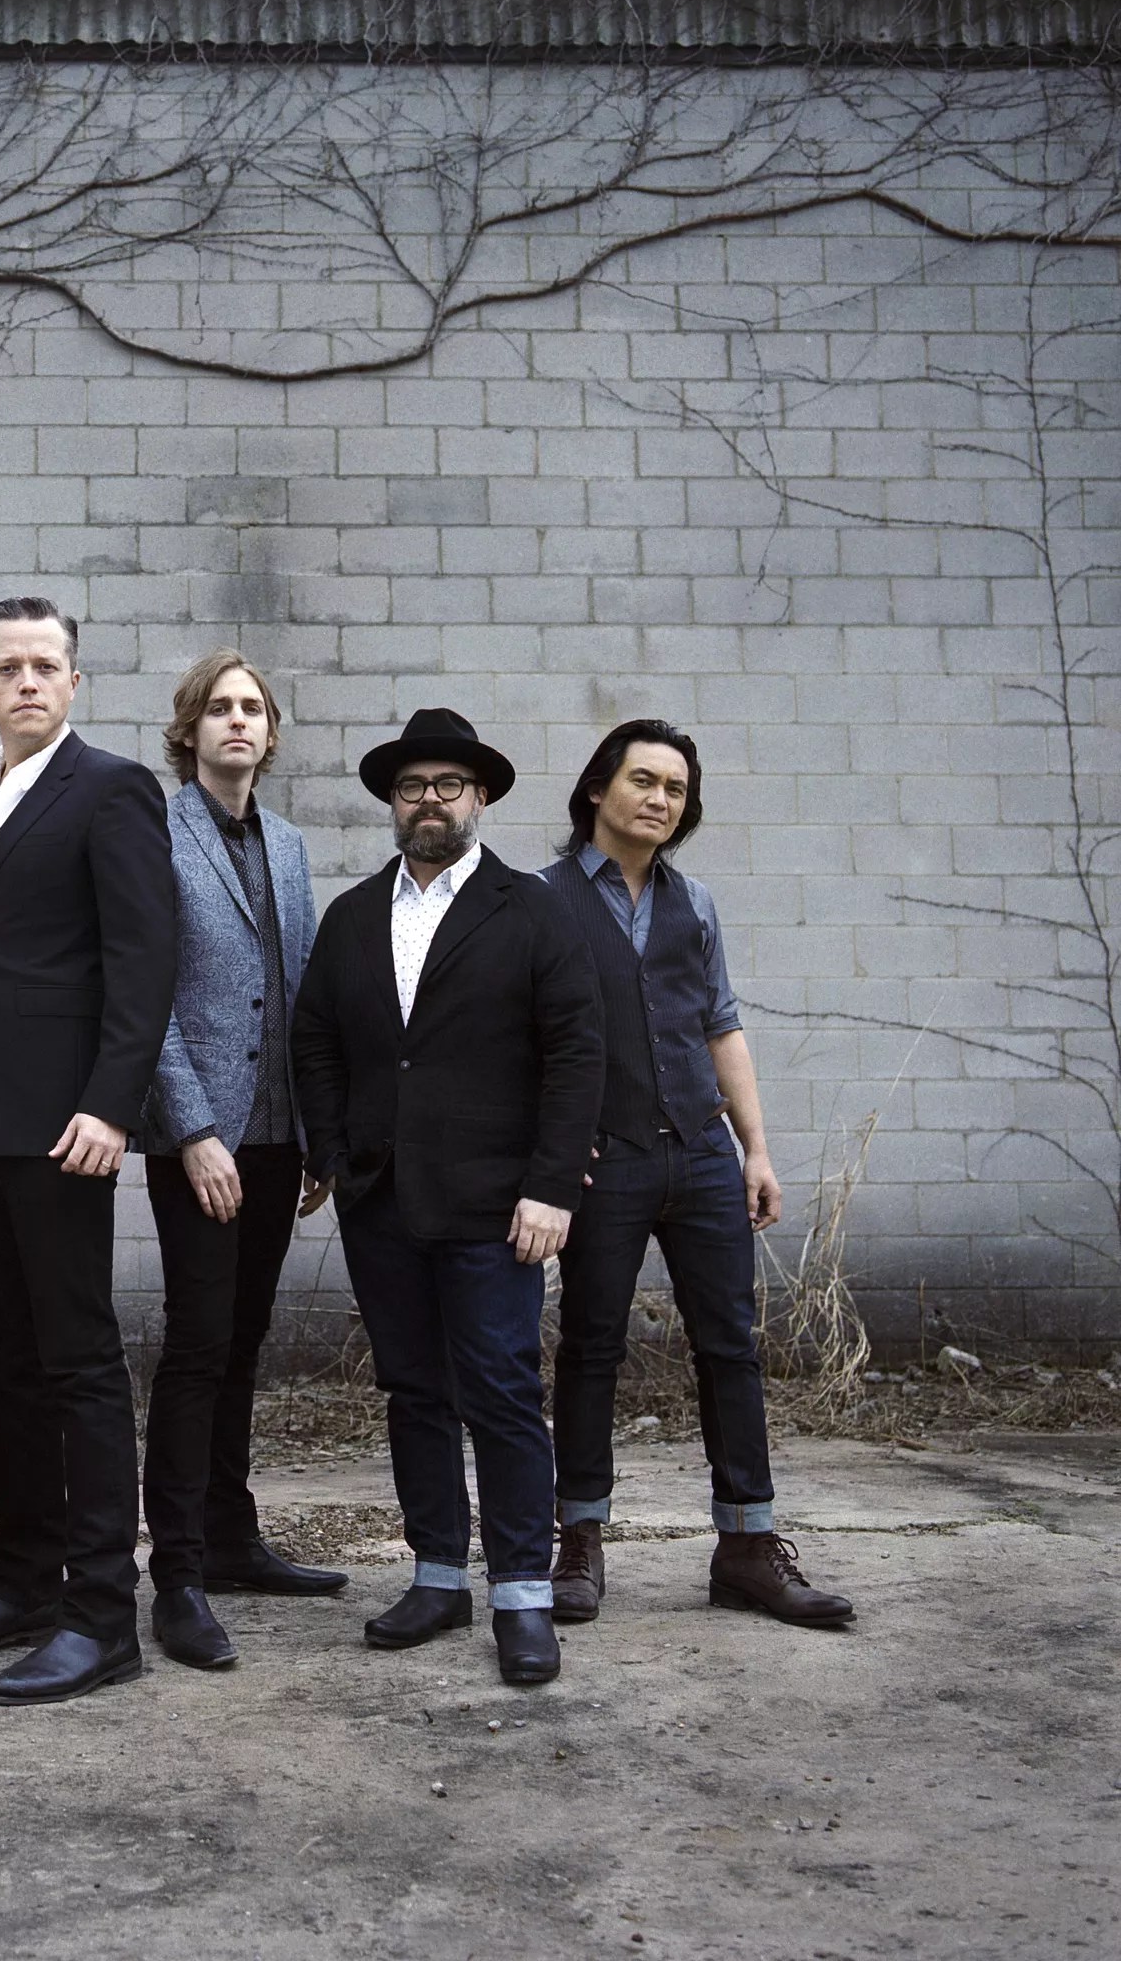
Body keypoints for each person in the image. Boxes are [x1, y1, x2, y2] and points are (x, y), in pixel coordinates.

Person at [292, 708, 603, 1687]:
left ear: (480, 798)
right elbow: (314, 1040)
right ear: (392, 803)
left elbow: (575, 1053)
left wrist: (550, 1187)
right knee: (413, 1390)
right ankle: (436, 1577)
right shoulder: (351, 916)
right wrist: (331, 1152)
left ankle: (522, 1594)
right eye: (411, 787)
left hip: (495, 1206)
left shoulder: (533, 911)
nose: (429, 801)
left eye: (447, 785)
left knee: (500, 1393)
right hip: (381, 1201)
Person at [0, 596, 177, 1706]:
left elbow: (145, 957)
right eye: (7, 666)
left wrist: (111, 1106)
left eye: (46, 665)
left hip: (66, 1127)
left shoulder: (112, 789)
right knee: (4, 1358)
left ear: (74, 682)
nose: (27, 681)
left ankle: (102, 1615)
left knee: (76, 1361)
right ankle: (21, 1582)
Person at [542, 720, 854, 1627]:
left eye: (675, 789)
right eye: (643, 780)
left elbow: (721, 1025)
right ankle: (579, 1541)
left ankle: (748, 1549)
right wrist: (551, 1145)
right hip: (605, 1162)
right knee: (591, 1345)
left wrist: (756, 1150)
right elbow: (515, 1037)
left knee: (731, 1346)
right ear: (597, 789)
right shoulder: (539, 901)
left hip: (703, 1154)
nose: (660, 799)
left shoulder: (697, 904)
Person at [138, 649, 344, 1672]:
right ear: (190, 731)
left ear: (269, 733)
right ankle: (175, 1573)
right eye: (217, 708)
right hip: (199, 1143)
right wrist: (190, 1132)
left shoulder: (291, 846)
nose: (235, 721)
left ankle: (229, 1536)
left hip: (275, 1138)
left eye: (251, 708)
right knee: (197, 1343)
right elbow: (144, 996)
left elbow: (300, 994)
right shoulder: (157, 834)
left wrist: (314, 1133)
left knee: (245, 1339)